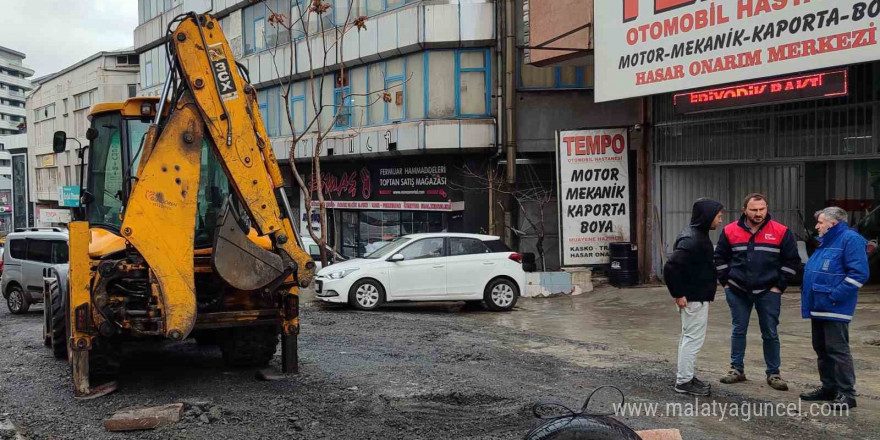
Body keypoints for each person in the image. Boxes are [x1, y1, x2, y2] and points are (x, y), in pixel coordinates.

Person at [714, 193, 800, 391]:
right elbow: (719, 258)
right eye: (754, 210)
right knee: (738, 329)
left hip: (769, 291)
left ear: (767, 209)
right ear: (744, 210)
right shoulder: (729, 231)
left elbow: (792, 261)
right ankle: (737, 370)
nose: (758, 213)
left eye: (762, 209)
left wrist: (779, 286)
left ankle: (774, 373)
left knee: (770, 332)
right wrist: (726, 282)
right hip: (737, 290)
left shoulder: (781, 231)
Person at [799, 207, 867, 410]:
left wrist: (835, 296)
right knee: (822, 349)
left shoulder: (850, 240)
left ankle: (847, 394)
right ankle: (829, 388)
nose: (817, 226)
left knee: (837, 350)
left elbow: (859, 274)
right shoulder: (826, 242)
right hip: (819, 305)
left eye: (820, 222)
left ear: (833, 223)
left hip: (833, 307)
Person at [664, 198, 724, 396]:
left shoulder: (696, 234)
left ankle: (686, 376)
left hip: (695, 295)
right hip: (693, 297)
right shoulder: (693, 239)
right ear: (707, 216)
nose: (720, 220)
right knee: (692, 340)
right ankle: (683, 382)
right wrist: (678, 293)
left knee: (688, 338)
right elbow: (671, 267)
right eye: (718, 216)